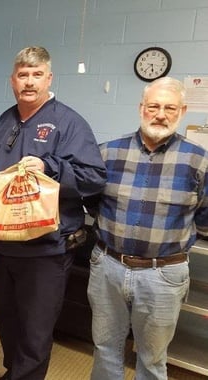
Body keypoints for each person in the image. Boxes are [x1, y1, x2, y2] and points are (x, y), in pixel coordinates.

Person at [0, 46, 106, 380]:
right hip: (3, 246)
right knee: (6, 320)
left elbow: (94, 178)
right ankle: (14, 374)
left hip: (46, 250)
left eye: (37, 74)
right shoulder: (3, 122)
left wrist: (49, 167)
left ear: (49, 78)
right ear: (12, 81)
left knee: (35, 331)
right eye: (23, 75)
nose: (29, 82)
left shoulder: (69, 123)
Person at [85, 77, 207, 380]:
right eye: (153, 106)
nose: (160, 114)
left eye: (169, 107)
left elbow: (205, 218)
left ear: (182, 111)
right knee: (104, 347)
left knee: (152, 358)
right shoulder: (107, 153)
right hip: (108, 267)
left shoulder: (199, 160)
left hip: (163, 275)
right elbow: (92, 202)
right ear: (141, 108)